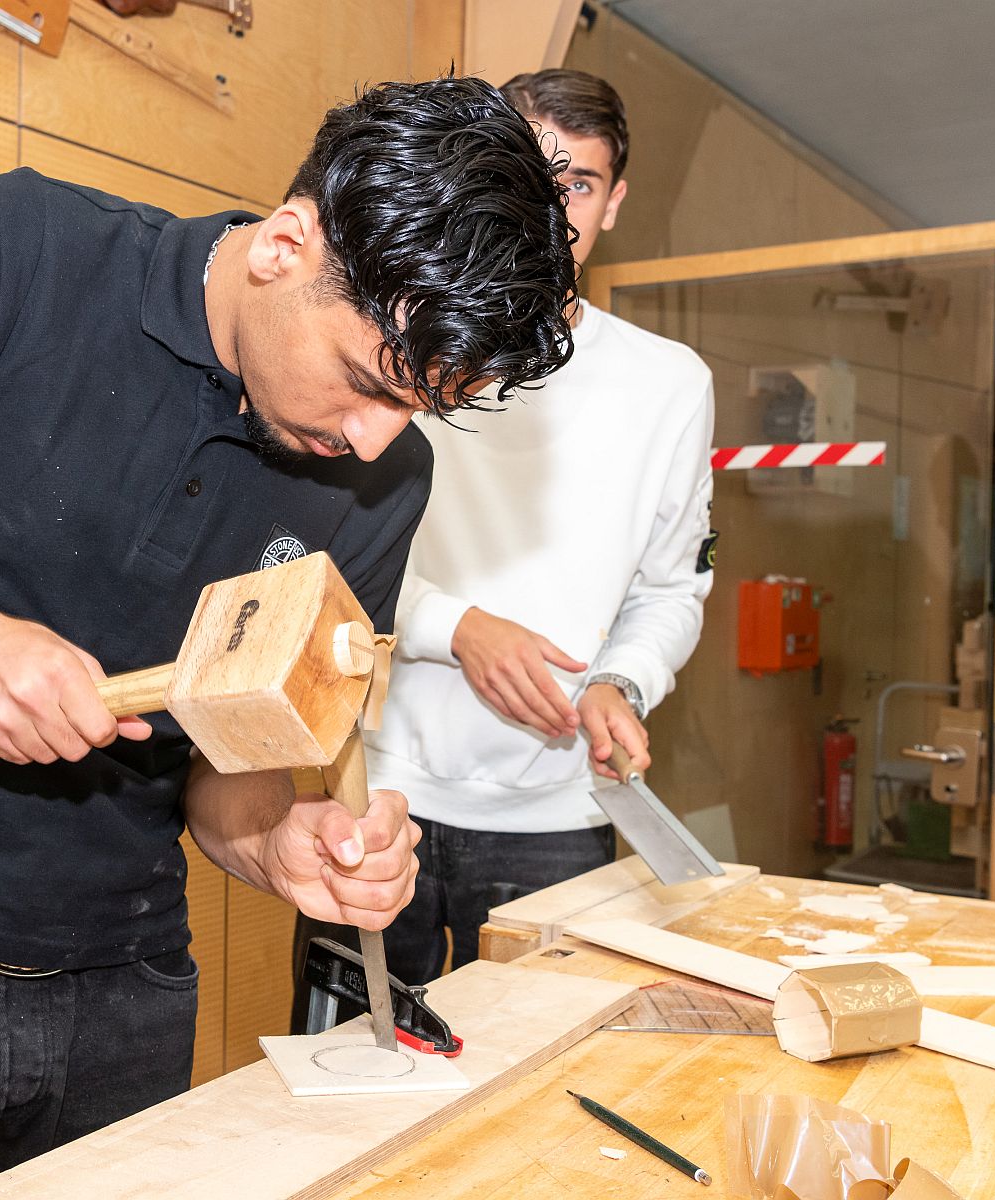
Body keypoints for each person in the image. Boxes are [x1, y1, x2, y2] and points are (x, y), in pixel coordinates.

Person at [0, 76, 577, 1200]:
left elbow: (228, 777)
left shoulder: (383, 483)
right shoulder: (21, 249)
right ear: (286, 245)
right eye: (369, 382)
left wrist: (281, 844)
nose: (376, 441)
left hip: (123, 991)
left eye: (415, 407)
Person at [292, 68, 716, 1003]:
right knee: (342, 1071)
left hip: (559, 817)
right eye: (534, 170)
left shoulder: (671, 384)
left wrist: (621, 682)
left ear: (615, 202)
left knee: (548, 1072)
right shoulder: (400, 335)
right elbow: (309, 553)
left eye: (581, 183)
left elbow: (671, 589)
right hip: (377, 788)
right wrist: (460, 630)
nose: (556, 207)